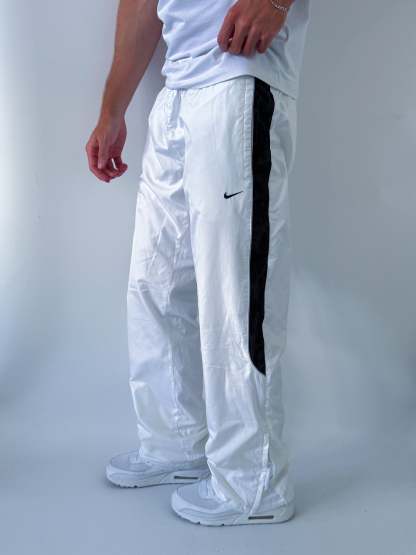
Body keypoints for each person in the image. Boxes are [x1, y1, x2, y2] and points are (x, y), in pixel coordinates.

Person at [86, 0, 310, 527]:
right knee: (156, 283)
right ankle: (176, 441)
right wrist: (113, 108)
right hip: (177, 90)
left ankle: (254, 483)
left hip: (240, 74)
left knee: (235, 290)